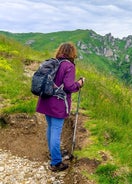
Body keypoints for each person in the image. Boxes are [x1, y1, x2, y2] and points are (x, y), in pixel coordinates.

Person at [36, 42, 84, 172]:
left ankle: (53, 153)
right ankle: (56, 163)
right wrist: (79, 83)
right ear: (72, 53)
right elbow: (68, 86)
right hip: (58, 103)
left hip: (46, 100)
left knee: (51, 128)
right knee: (56, 132)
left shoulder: (54, 62)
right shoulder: (68, 66)